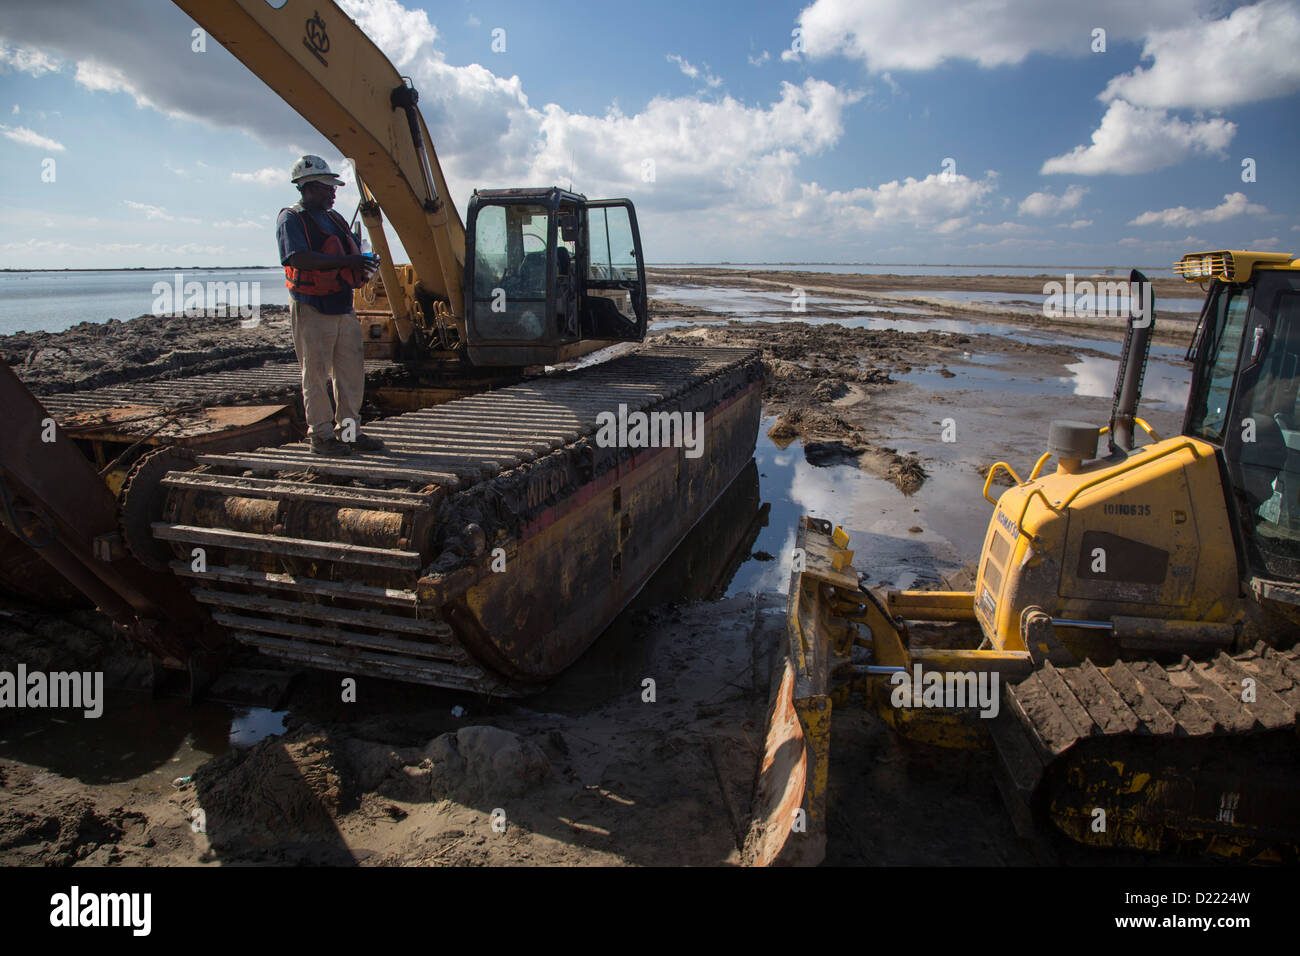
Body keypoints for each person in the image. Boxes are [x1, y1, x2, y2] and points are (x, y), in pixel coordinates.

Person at [276, 154, 384, 456]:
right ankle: (321, 437)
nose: (333, 192)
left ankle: (349, 434)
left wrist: (363, 265)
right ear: (306, 187)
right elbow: (297, 258)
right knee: (316, 374)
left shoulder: (335, 219)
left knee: (350, 375)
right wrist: (348, 261)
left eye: (333, 187)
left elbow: (351, 251)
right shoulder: (291, 219)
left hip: (342, 307)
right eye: (327, 187)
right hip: (312, 307)